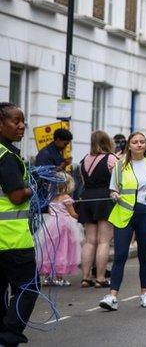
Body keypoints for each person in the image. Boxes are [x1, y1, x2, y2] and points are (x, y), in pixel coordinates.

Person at [98, 132, 146, 311]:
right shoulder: (120, 166)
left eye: (142, 142)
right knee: (120, 254)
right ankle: (112, 296)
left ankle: (145, 293)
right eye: (135, 142)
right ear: (129, 145)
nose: (139, 145)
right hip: (124, 214)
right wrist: (114, 194)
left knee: (144, 255)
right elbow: (113, 189)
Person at [0, 103, 37, 346]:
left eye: (23, 120)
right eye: (16, 121)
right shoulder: (7, 157)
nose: (22, 126)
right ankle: (9, 334)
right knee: (29, 287)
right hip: (12, 239)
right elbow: (15, 196)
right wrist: (33, 189)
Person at [77, 131, 118, 288]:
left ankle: (85, 277)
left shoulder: (84, 160)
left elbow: (83, 181)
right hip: (104, 199)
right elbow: (117, 180)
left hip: (87, 198)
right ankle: (100, 278)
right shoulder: (111, 158)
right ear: (107, 141)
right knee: (104, 241)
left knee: (89, 241)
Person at [36, 173, 80, 286]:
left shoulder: (51, 198)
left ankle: (47, 277)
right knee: (62, 249)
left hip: (51, 224)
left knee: (49, 249)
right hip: (64, 226)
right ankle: (59, 278)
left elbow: (51, 212)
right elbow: (72, 214)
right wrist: (80, 216)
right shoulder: (66, 198)